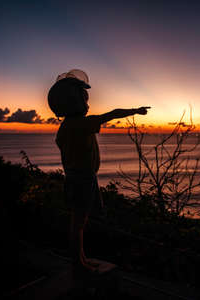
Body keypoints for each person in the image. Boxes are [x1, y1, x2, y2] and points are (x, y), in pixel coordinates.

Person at [48, 69, 150, 274]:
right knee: (78, 224)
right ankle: (78, 263)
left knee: (79, 222)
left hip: (76, 178)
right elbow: (111, 114)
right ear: (75, 101)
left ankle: (81, 258)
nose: (87, 104)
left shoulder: (66, 127)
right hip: (82, 180)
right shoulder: (82, 124)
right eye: (83, 99)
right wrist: (135, 111)